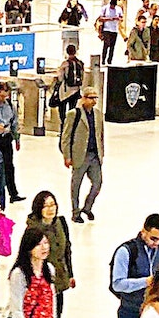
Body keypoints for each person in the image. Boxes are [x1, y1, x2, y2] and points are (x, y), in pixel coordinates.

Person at [58, 86, 105, 221]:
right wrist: (67, 156)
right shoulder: (74, 114)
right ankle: (75, 212)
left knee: (97, 183)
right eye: (91, 98)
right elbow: (66, 136)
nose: (94, 101)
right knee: (76, 185)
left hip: (94, 155)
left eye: (95, 98)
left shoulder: (98, 115)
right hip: (80, 155)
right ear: (83, 98)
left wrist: (102, 153)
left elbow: (101, 135)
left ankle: (87, 207)